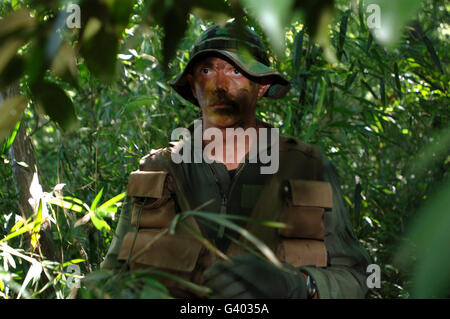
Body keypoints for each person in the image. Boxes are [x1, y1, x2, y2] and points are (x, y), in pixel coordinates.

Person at [101, 22, 371, 299]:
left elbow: (357, 278)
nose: (220, 86)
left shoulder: (307, 167)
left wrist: (298, 285)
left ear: (262, 86)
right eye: (207, 71)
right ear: (193, 86)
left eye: (236, 71)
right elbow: (111, 280)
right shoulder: (159, 169)